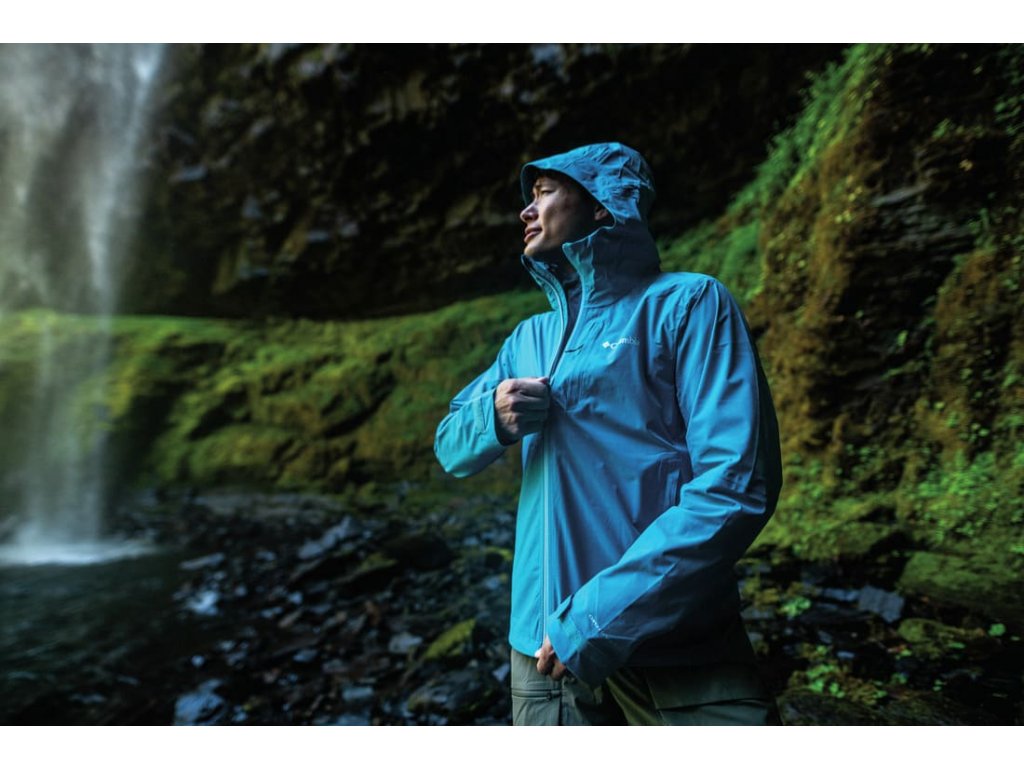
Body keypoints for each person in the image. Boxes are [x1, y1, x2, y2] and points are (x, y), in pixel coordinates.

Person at [434, 142, 783, 725]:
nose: (525, 210)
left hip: (674, 640)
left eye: (544, 192)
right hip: (542, 651)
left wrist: (595, 619)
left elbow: (735, 485)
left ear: (603, 205)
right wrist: (490, 417)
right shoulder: (528, 339)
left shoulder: (689, 304)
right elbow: (450, 447)